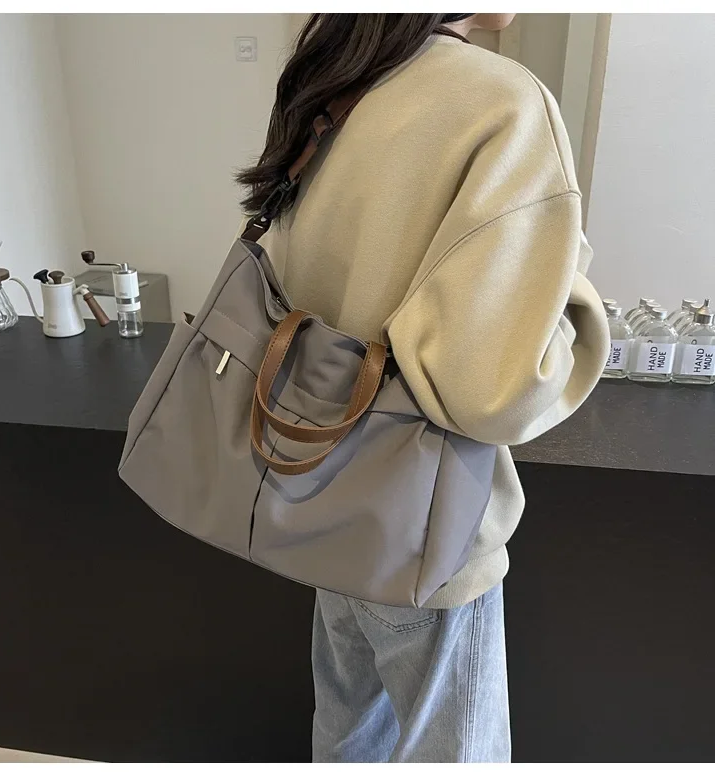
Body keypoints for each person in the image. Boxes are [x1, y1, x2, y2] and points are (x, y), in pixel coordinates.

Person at [236, 13, 608, 763]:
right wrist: (571, 298)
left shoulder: (339, 76)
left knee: (348, 738)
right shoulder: (503, 100)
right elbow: (494, 390)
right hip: (424, 522)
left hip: (321, 487)